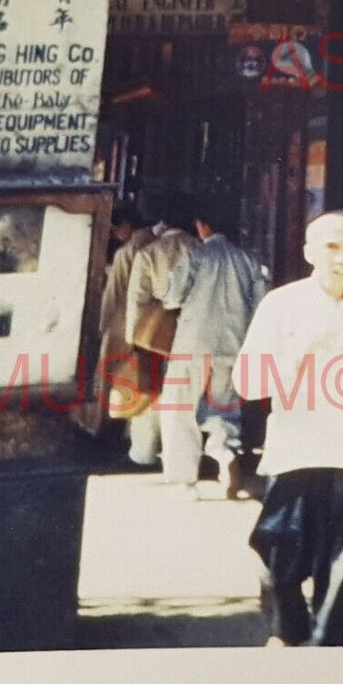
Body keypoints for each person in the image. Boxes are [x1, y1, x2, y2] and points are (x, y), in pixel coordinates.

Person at [235, 211, 343, 646]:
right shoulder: (282, 303)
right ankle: (287, 631)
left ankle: (332, 658)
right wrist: (300, 348)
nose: (342, 257)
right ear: (309, 252)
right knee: (281, 549)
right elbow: (247, 383)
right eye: (332, 247)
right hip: (294, 451)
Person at [159, 198, 269, 497]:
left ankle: (186, 482)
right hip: (234, 344)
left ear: (203, 225)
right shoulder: (250, 260)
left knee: (180, 408)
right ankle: (226, 456)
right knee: (223, 406)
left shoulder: (197, 255)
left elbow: (172, 297)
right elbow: (262, 306)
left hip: (193, 344)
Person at [124, 194, 198, 467]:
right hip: (189, 331)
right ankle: (177, 454)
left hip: (153, 335)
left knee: (149, 390)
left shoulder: (149, 252)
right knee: (182, 395)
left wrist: (133, 338)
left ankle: (143, 453)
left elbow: (137, 299)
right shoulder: (199, 248)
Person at [89, 200, 156, 448]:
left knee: (114, 382)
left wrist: (100, 330)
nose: (116, 236)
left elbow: (113, 296)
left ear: (126, 225)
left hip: (121, 325)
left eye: (116, 230)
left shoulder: (126, 253)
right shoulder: (156, 244)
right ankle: (134, 436)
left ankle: (106, 432)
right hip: (153, 327)